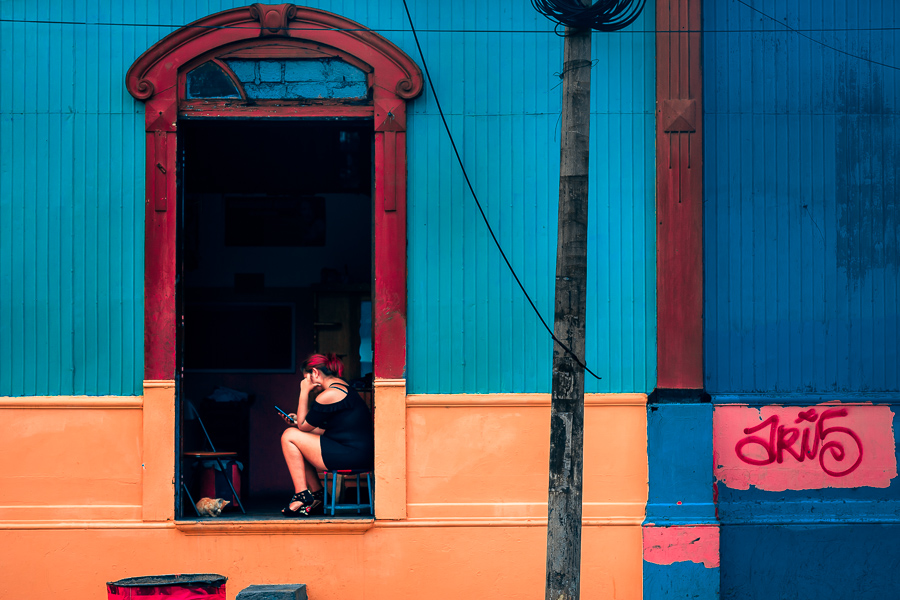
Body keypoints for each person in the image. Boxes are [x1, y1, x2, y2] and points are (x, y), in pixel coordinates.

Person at [279, 353, 374, 516]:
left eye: (306, 378)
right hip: (356, 452)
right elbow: (329, 431)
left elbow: (303, 426)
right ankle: (317, 494)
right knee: (296, 436)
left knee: (289, 435)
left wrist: (304, 391)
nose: (306, 383)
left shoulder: (328, 395)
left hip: (352, 455)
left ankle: (302, 496)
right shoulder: (342, 388)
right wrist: (298, 423)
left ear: (315, 373)